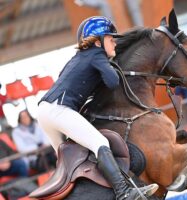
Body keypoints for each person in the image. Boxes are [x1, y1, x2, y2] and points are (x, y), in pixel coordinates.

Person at [36, 16, 158, 200]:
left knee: (70, 162)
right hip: (58, 110)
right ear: (98, 41)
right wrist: (111, 66)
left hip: (44, 112)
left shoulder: (78, 57)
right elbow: (112, 81)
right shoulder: (97, 54)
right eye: (110, 39)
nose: (114, 43)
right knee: (100, 144)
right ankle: (124, 193)